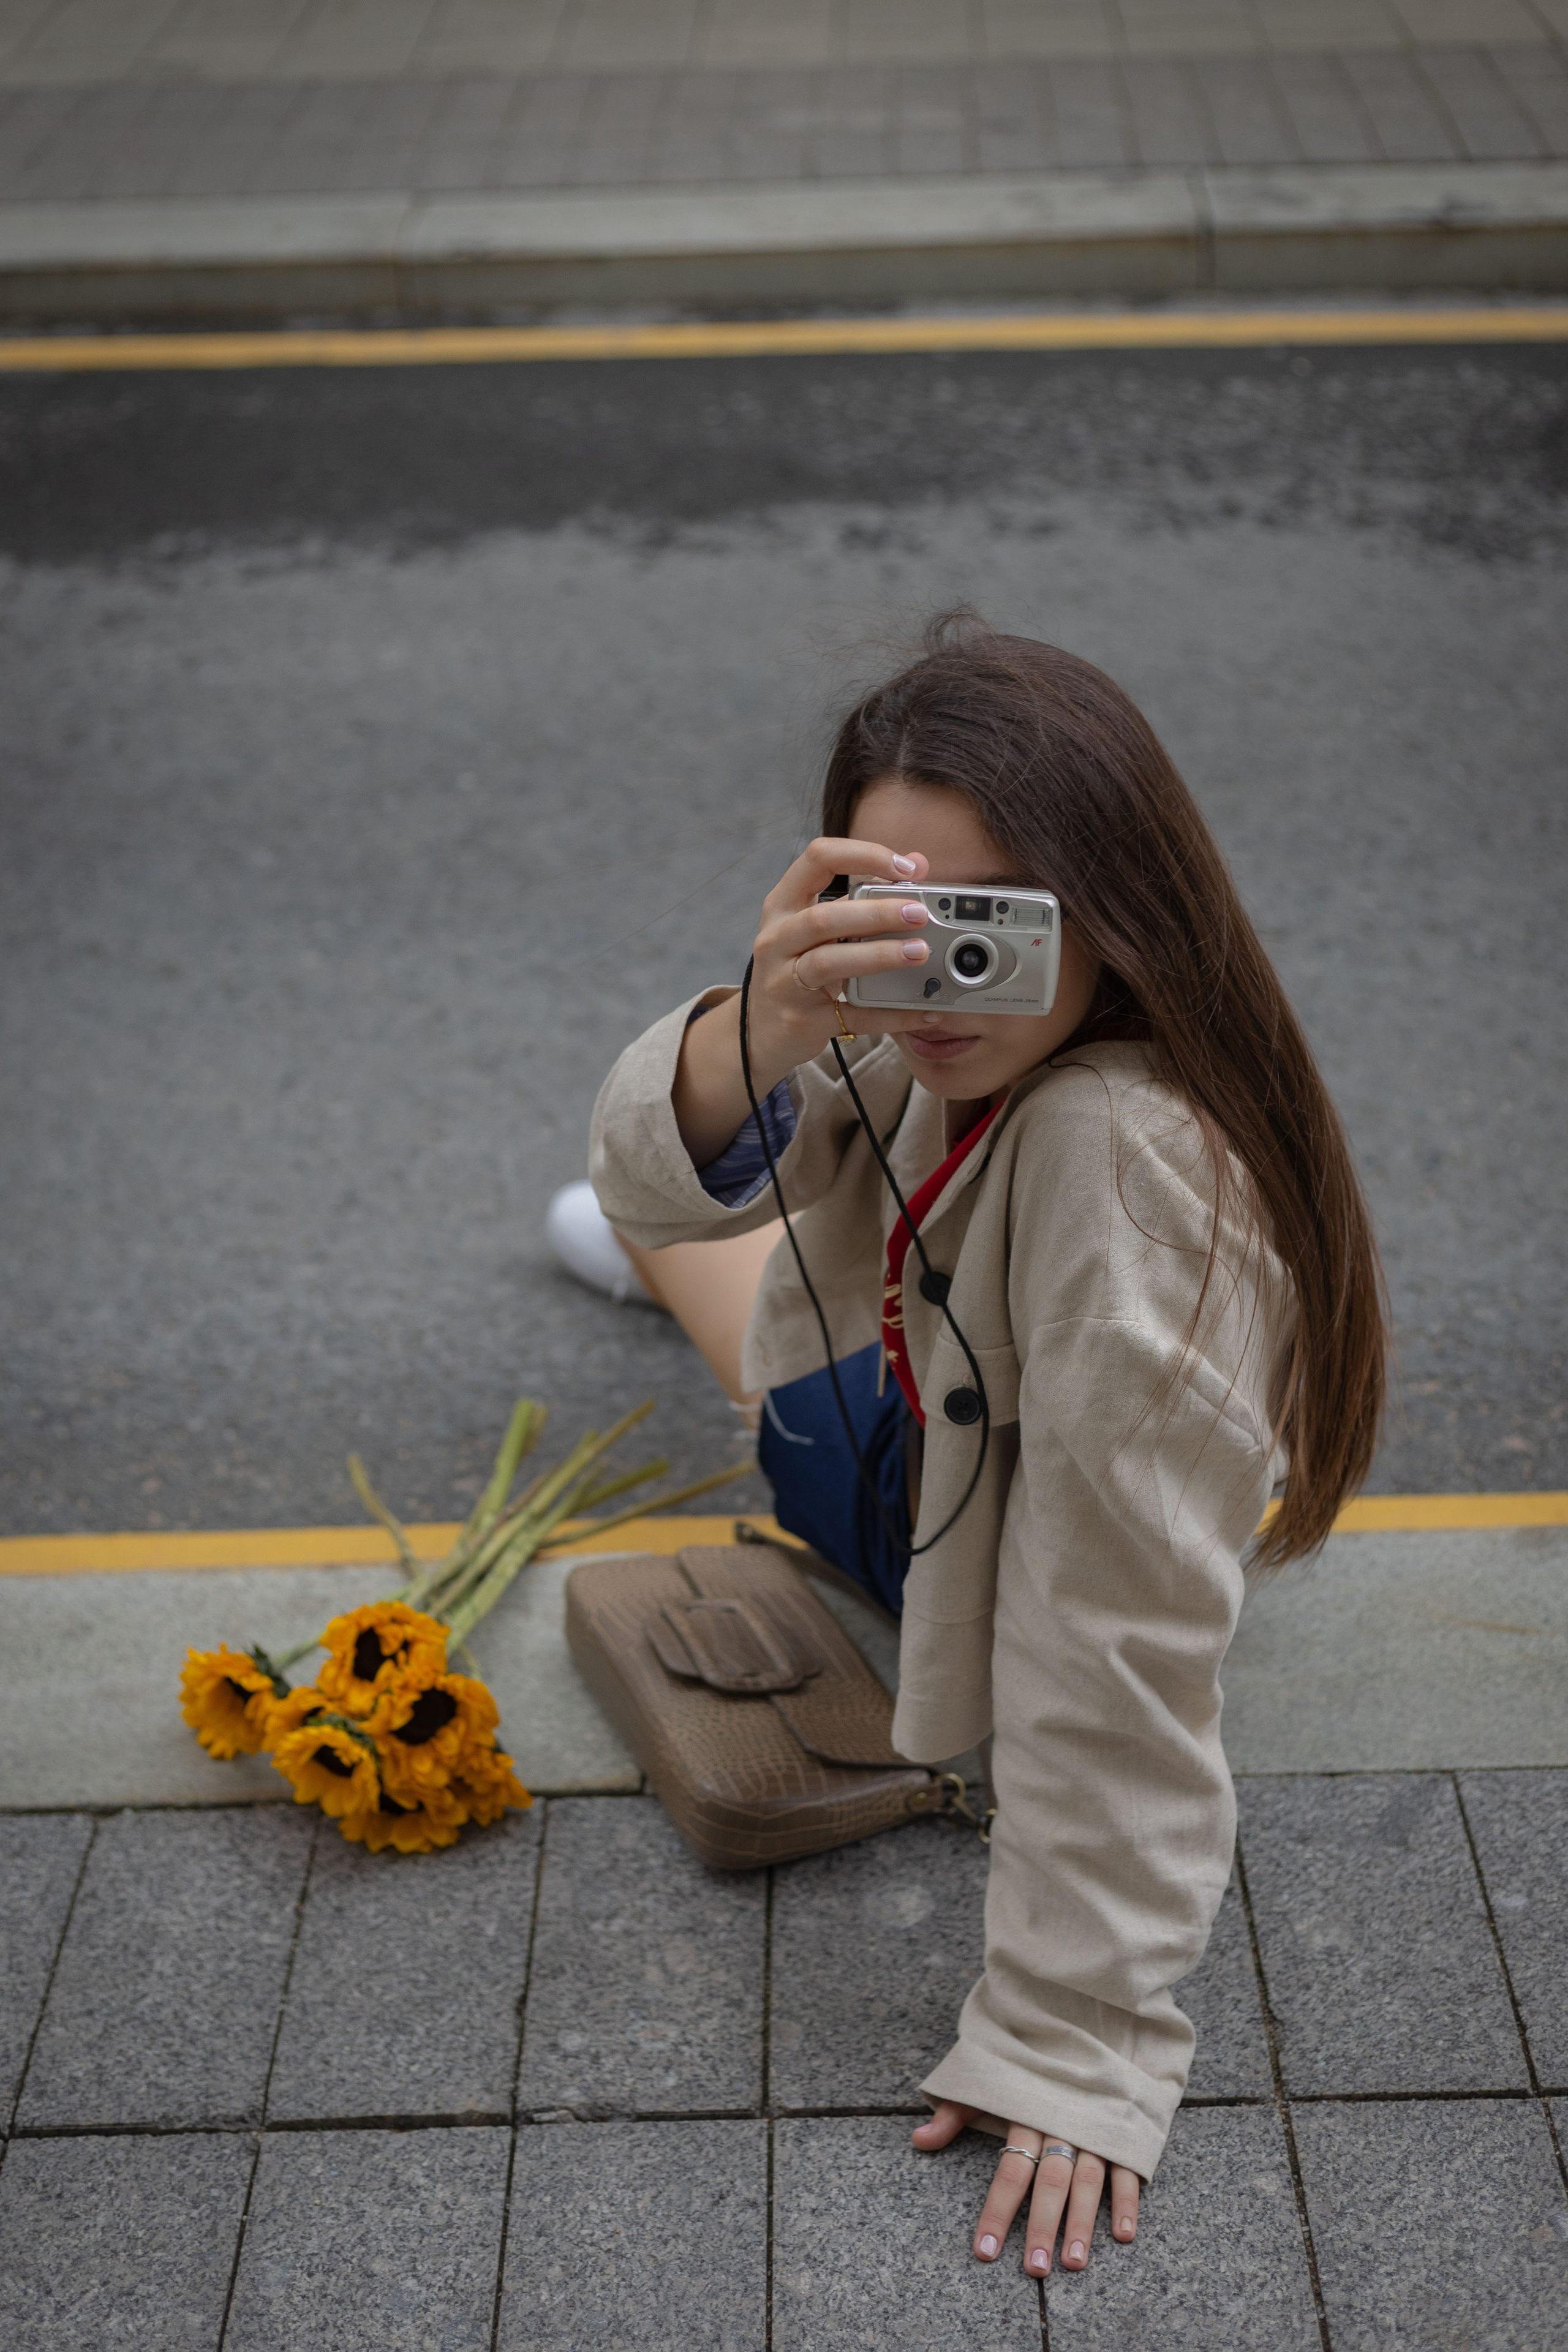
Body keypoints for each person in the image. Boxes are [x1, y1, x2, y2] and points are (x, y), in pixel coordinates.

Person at [566, 618, 1385, 2278]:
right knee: (702, 1224)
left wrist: (1077, 2038)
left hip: (943, 1480)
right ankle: (678, 1266)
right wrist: (757, 1039)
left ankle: (682, 1276)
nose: (944, 970)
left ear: (1116, 906)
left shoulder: (1122, 1162)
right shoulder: (962, 1020)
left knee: (761, 1350)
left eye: (996, 923)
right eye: (896, 912)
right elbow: (671, 1151)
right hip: (935, 1392)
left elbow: (1119, 1636)